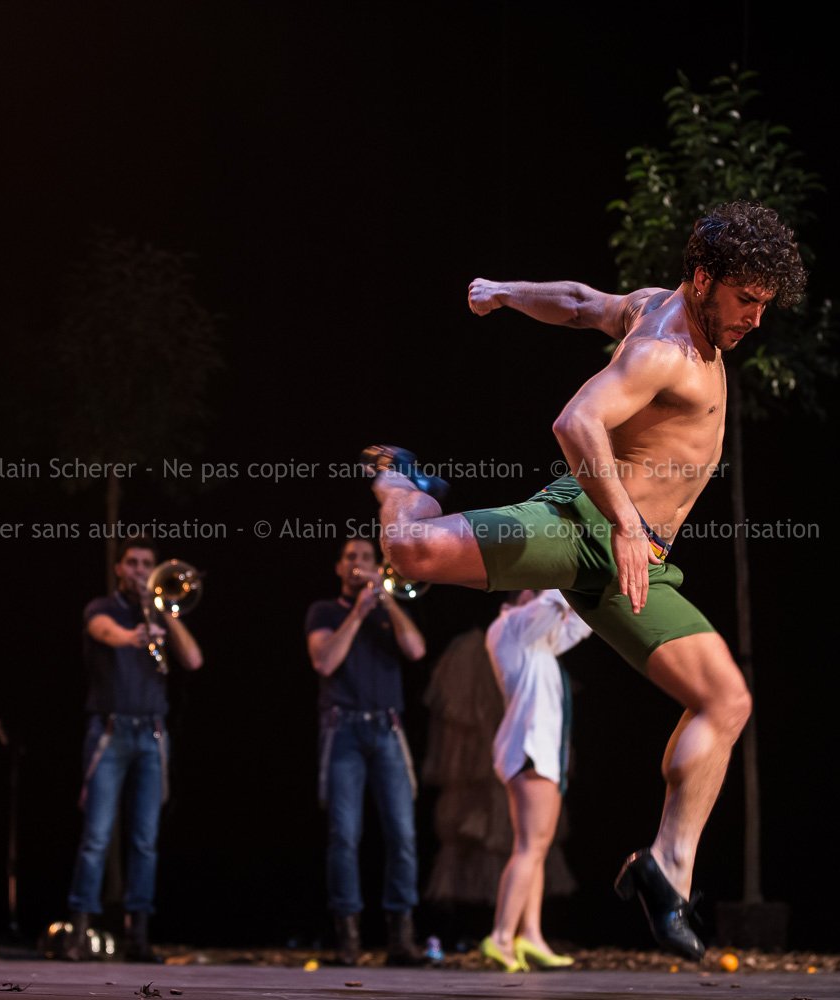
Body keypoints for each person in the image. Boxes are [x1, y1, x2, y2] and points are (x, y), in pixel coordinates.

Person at [361, 201, 807, 961]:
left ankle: (666, 870)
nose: (756, 320)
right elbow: (576, 423)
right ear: (704, 279)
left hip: (636, 559)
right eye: (746, 300)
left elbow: (576, 302)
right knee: (410, 552)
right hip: (587, 529)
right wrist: (627, 525)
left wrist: (504, 291)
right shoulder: (665, 349)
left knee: (725, 700)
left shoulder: (653, 306)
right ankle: (402, 482)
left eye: (766, 305)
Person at [64, 536, 202, 962]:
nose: (140, 571)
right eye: (133, 563)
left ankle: (137, 935)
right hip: (111, 731)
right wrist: (132, 635)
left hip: (152, 735)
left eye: (146, 564)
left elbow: (193, 659)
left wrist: (166, 615)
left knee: (145, 840)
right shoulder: (102, 608)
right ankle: (80, 932)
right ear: (119, 568)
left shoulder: (160, 612)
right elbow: (102, 631)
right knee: (97, 836)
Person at [306, 536, 430, 966]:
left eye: (365, 557)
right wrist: (358, 612)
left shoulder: (388, 612)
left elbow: (416, 649)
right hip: (343, 730)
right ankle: (348, 939)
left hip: (387, 729)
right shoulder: (324, 612)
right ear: (339, 567)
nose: (358, 563)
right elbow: (324, 661)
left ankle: (401, 939)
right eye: (350, 558)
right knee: (344, 835)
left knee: (403, 834)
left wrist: (386, 600)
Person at [479, 588, 592, 972]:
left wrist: (598, 592)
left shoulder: (538, 641)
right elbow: (557, 598)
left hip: (538, 752)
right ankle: (500, 936)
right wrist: (574, 571)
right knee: (529, 847)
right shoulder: (511, 625)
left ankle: (530, 934)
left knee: (536, 847)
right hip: (530, 749)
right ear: (525, 593)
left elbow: (578, 623)